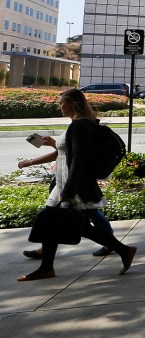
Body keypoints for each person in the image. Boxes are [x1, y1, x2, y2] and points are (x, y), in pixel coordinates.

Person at [17, 88, 137, 281]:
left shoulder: (80, 125)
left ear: (72, 104)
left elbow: (79, 160)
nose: (59, 107)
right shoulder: (77, 124)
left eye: (61, 103)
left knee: (72, 224)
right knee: (57, 222)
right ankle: (47, 267)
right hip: (63, 184)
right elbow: (67, 153)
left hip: (72, 186)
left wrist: (69, 190)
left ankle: (123, 250)